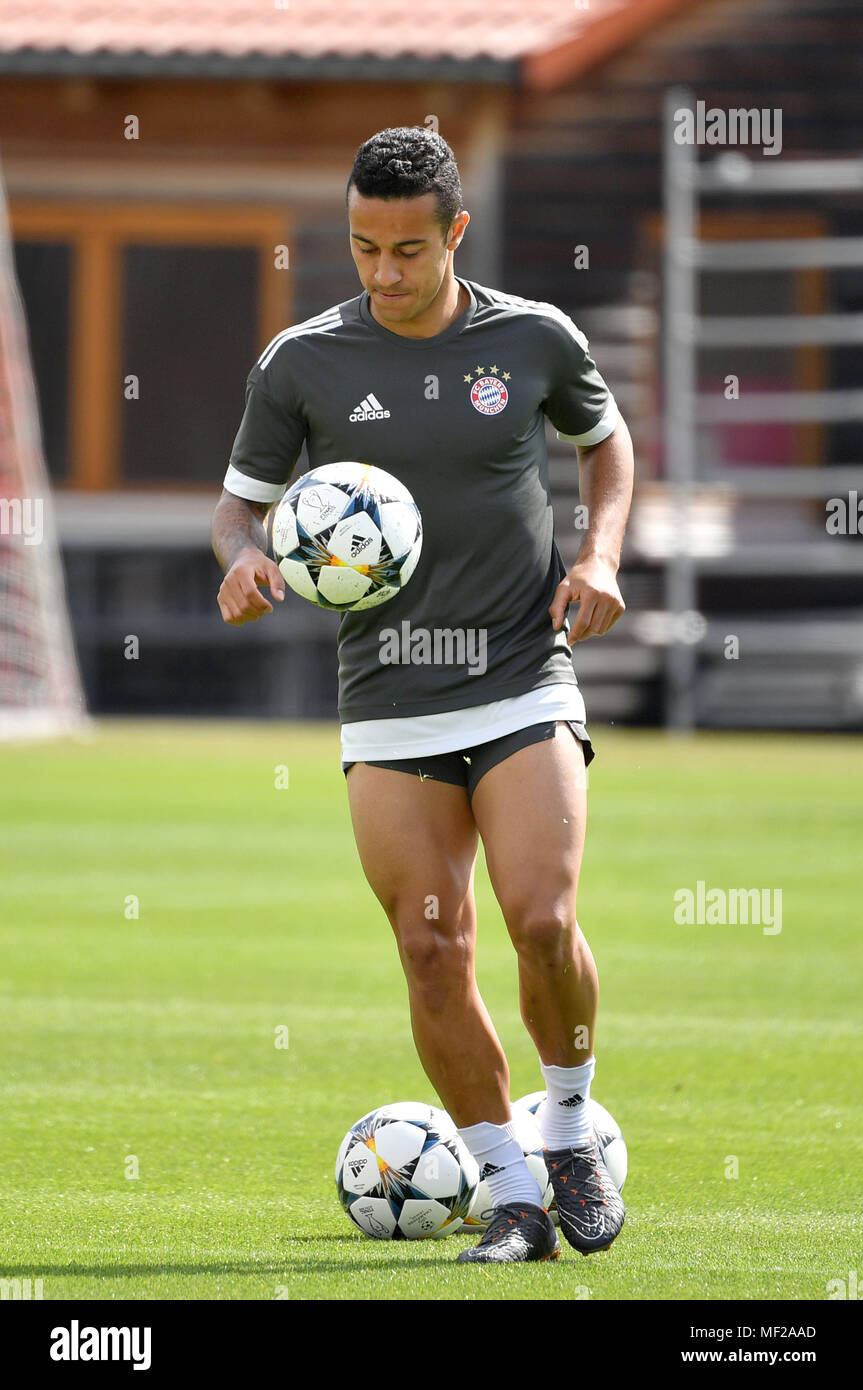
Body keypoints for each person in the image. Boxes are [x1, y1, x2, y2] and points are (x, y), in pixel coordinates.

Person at [211, 127, 633, 1264]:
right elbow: (237, 506)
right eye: (362, 248)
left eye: (406, 249)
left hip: (517, 674)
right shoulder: (300, 362)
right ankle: (510, 1199)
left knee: (540, 920)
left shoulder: (532, 338)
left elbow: (606, 444)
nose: (383, 273)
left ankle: (568, 1127)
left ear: (453, 232)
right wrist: (240, 561)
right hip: (389, 698)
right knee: (430, 948)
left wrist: (597, 559)